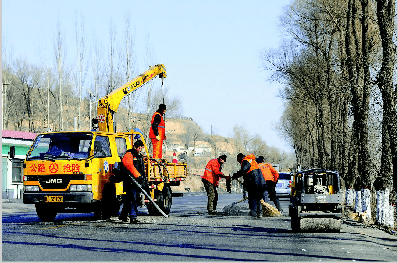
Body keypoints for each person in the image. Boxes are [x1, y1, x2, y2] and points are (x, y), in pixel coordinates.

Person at [119, 140, 146, 224]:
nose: (140, 150)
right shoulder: (129, 155)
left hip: (137, 181)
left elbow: (141, 169)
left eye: (141, 148)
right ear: (135, 147)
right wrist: (138, 176)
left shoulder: (139, 156)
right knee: (132, 198)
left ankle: (123, 215)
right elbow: (129, 166)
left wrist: (142, 179)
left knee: (129, 199)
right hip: (130, 181)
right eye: (139, 148)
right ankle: (133, 217)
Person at [232, 153, 266, 218]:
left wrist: (236, 175)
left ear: (240, 158)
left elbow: (244, 170)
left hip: (254, 180)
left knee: (252, 196)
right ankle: (259, 213)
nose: (239, 162)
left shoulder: (245, 160)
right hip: (260, 180)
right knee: (258, 197)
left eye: (238, 160)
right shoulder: (252, 161)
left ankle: (254, 212)